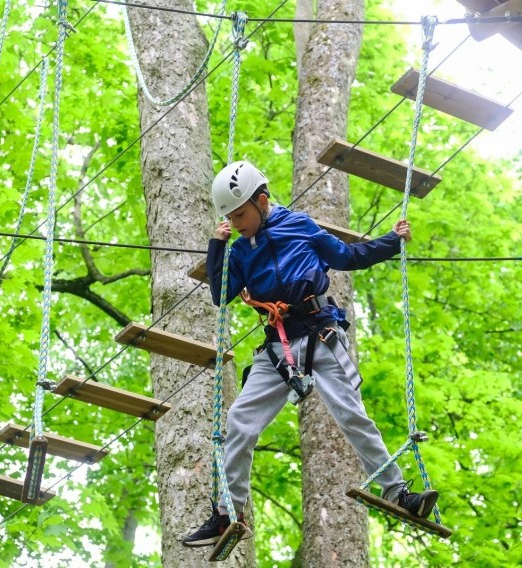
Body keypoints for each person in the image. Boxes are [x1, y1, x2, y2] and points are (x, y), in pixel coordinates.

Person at [181, 160, 438, 548]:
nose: (236, 223)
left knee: (351, 415)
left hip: (319, 331)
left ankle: (398, 493)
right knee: (239, 422)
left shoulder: (299, 226)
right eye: (229, 219)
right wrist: (217, 245)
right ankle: (226, 514)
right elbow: (221, 295)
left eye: (240, 214)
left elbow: (348, 258)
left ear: (262, 201)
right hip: (279, 346)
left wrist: (391, 240)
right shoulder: (237, 250)